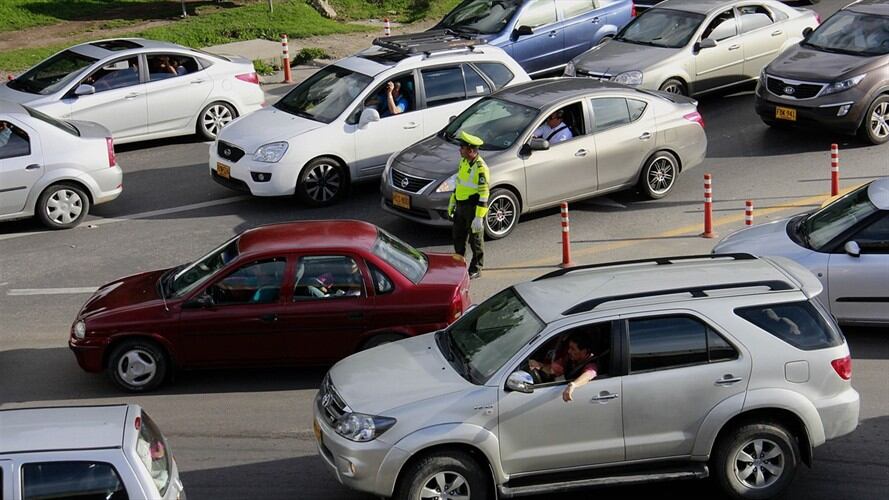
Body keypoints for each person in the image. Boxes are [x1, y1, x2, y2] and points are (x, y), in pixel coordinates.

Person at [448, 131, 490, 279]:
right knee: (458, 237)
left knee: (475, 240)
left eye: (462, 148)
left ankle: (477, 267)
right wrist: (453, 202)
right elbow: (459, 183)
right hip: (461, 206)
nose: (460, 150)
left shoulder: (480, 168)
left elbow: (484, 194)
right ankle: (459, 264)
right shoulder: (464, 161)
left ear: (471, 150)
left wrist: (479, 217)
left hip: (473, 208)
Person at [528, 333, 598, 402]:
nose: (569, 351)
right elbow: (553, 369)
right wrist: (539, 365)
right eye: (569, 348)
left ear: (584, 351)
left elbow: (589, 374)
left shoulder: (591, 364)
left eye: (573, 349)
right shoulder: (569, 359)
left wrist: (573, 385)